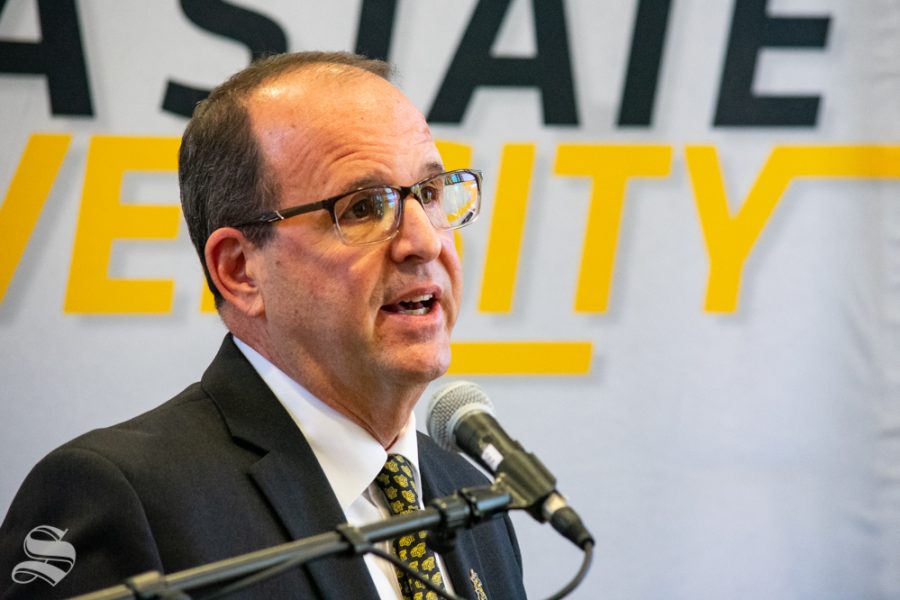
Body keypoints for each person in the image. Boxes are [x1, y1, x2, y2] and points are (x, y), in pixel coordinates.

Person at [0, 51, 526, 599]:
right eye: (365, 207)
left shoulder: (471, 499)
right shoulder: (125, 497)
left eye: (430, 194)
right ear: (240, 270)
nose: (425, 241)